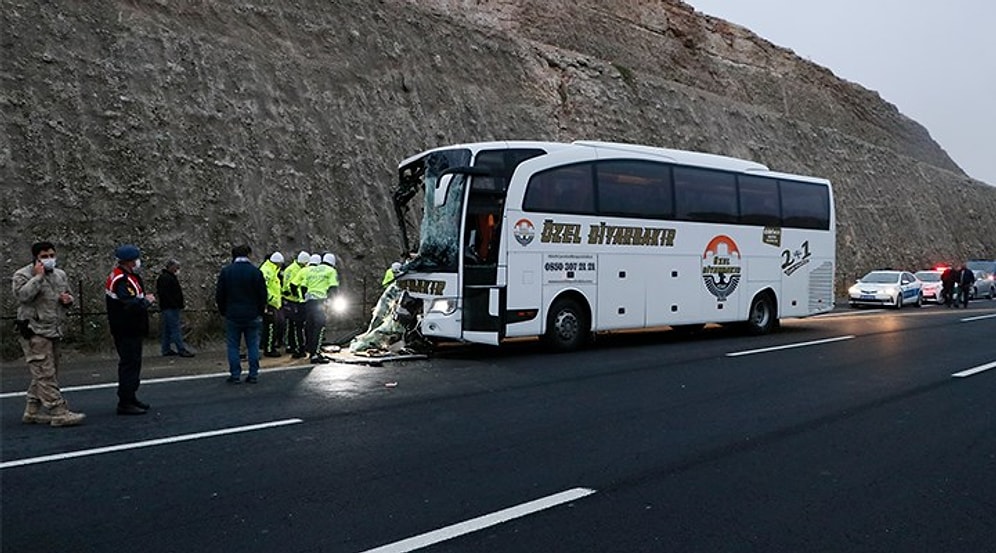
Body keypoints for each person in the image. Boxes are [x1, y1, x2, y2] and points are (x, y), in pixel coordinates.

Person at [12, 241, 86, 427]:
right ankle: (58, 411)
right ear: (36, 258)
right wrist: (38, 277)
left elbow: (67, 295)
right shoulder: (23, 275)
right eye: (44, 256)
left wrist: (68, 300)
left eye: (51, 255)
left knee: (48, 372)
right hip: (33, 329)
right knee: (45, 373)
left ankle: (32, 410)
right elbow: (22, 296)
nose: (49, 259)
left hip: (53, 328)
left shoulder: (60, 275)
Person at [106, 244, 156, 415]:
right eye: (136, 260)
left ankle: (131, 396)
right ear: (129, 261)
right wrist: (147, 301)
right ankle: (125, 401)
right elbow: (129, 305)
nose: (138, 263)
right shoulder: (122, 280)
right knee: (130, 364)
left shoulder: (127, 276)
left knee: (133, 364)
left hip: (130, 328)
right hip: (127, 329)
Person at [216, 245, 267, 383]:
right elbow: (263, 295)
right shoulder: (255, 272)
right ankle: (253, 374)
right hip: (252, 313)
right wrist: (260, 311)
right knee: (253, 345)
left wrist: (223, 311)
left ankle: (235, 374)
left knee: (233, 345)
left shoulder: (226, 272)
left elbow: (220, 294)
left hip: (232, 313)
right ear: (249, 254)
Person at [300, 252, 339, 364]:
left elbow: (303, 287)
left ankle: (311, 351)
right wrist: (330, 302)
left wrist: (305, 298)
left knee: (310, 327)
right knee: (319, 327)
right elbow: (333, 288)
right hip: (320, 302)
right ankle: (316, 354)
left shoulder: (312, 270)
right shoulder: (331, 271)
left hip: (309, 302)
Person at [156, 259, 194, 357]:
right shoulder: (167, 278)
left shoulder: (166, 277)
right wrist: (175, 304)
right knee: (175, 329)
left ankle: (166, 349)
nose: (178, 269)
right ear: (171, 267)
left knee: (167, 329)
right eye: (176, 267)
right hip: (170, 307)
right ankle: (181, 349)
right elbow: (166, 294)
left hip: (168, 307)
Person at [281, 250, 310, 358]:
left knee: (294, 325)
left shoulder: (293, 268)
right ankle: (292, 345)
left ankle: (292, 345)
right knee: (294, 325)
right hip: (293, 299)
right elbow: (291, 285)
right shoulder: (294, 270)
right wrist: (298, 296)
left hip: (292, 299)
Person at [259, 251, 285, 357]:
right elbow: (264, 288)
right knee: (270, 327)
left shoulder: (273, 270)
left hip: (275, 303)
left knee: (276, 326)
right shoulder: (266, 271)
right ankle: (269, 349)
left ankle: (270, 346)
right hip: (269, 303)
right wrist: (269, 299)